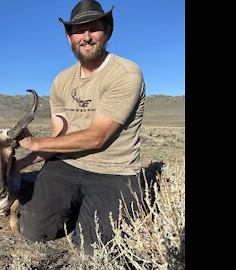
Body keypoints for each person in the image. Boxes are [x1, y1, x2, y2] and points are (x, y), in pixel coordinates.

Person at [12, 0, 145, 254]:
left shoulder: (126, 73)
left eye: (93, 28)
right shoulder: (61, 80)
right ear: (68, 37)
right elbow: (58, 138)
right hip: (66, 165)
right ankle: (71, 207)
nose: (86, 37)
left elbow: (97, 137)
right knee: (32, 231)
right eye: (78, 31)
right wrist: (20, 164)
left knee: (92, 249)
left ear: (107, 31)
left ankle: (89, 212)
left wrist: (35, 142)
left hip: (114, 172)